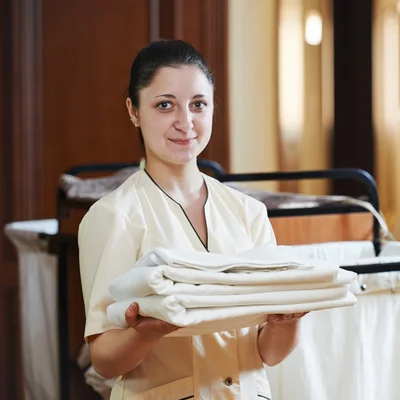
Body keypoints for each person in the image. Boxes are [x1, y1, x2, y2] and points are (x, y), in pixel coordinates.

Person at [78, 39, 306, 400]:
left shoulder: (249, 212)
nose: (185, 122)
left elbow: (269, 353)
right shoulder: (113, 215)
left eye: (198, 105)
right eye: (165, 105)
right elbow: (104, 360)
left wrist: (287, 322)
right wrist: (149, 331)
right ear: (133, 111)